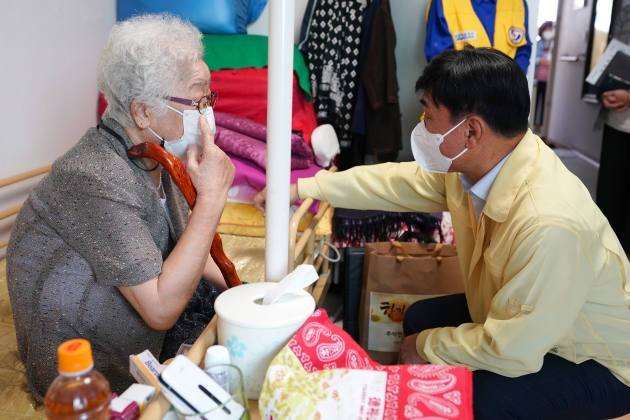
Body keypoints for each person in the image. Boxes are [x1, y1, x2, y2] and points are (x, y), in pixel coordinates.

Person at [254, 46, 630, 418]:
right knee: (419, 319)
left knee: (486, 399)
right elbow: (396, 182)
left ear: (471, 131)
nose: (422, 128)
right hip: (526, 317)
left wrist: (428, 347)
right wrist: (305, 188)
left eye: (429, 116)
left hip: (595, 358)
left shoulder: (548, 223)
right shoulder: (482, 166)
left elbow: (513, 349)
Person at [7, 14, 234, 400]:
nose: (207, 113)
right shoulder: (91, 175)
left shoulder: (155, 153)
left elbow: (192, 245)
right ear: (143, 111)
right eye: (198, 99)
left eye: (208, 98)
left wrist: (244, 291)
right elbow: (160, 309)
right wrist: (212, 199)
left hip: (147, 334)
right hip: (86, 375)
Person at [597, 4, 630, 258]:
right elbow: (613, 51)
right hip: (616, 123)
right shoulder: (624, 8)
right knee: (609, 205)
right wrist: (603, 90)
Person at [424, 0, 532, 74]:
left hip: (504, 102)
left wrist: (511, 86)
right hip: (457, 101)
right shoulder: (444, 2)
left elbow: (522, 50)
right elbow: (439, 58)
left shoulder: (518, 3)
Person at [534, 20, 553, 131]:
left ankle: (542, 126)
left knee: (546, 104)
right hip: (537, 78)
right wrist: (539, 60)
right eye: (547, 29)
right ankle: (533, 124)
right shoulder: (538, 44)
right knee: (535, 102)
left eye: (551, 29)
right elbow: (533, 58)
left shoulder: (555, 45)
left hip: (549, 80)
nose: (548, 32)